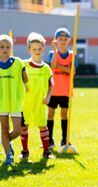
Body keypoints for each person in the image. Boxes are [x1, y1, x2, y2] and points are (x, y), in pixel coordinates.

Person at [20, 32, 54, 160]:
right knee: (24, 126)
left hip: (40, 102)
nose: (37, 51)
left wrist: (48, 97)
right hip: (25, 102)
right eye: (34, 49)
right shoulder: (23, 65)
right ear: (29, 50)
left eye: (39, 48)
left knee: (43, 126)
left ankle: (46, 152)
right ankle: (24, 151)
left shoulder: (46, 68)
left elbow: (51, 84)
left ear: (43, 48)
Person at [0, 34, 28, 166]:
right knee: (4, 128)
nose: (5, 49)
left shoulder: (18, 62)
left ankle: (5, 142)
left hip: (16, 101)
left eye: (7, 47)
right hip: (1, 102)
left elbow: (26, 78)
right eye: (1, 47)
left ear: (12, 48)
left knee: (17, 130)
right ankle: (8, 155)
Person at [47, 27, 76, 148]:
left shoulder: (72, 54)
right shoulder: (51, 53)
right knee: (50, 113)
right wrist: (55, 51)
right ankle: (49, 140)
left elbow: (72, 71)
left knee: (64, 114)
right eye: (60, 39)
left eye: (65, 39)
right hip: (53, 90)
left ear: (69, 40)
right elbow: (52, 66)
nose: (63, 41)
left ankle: (64, 140)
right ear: (56, 40)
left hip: (66, 90)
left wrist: (60, 66)